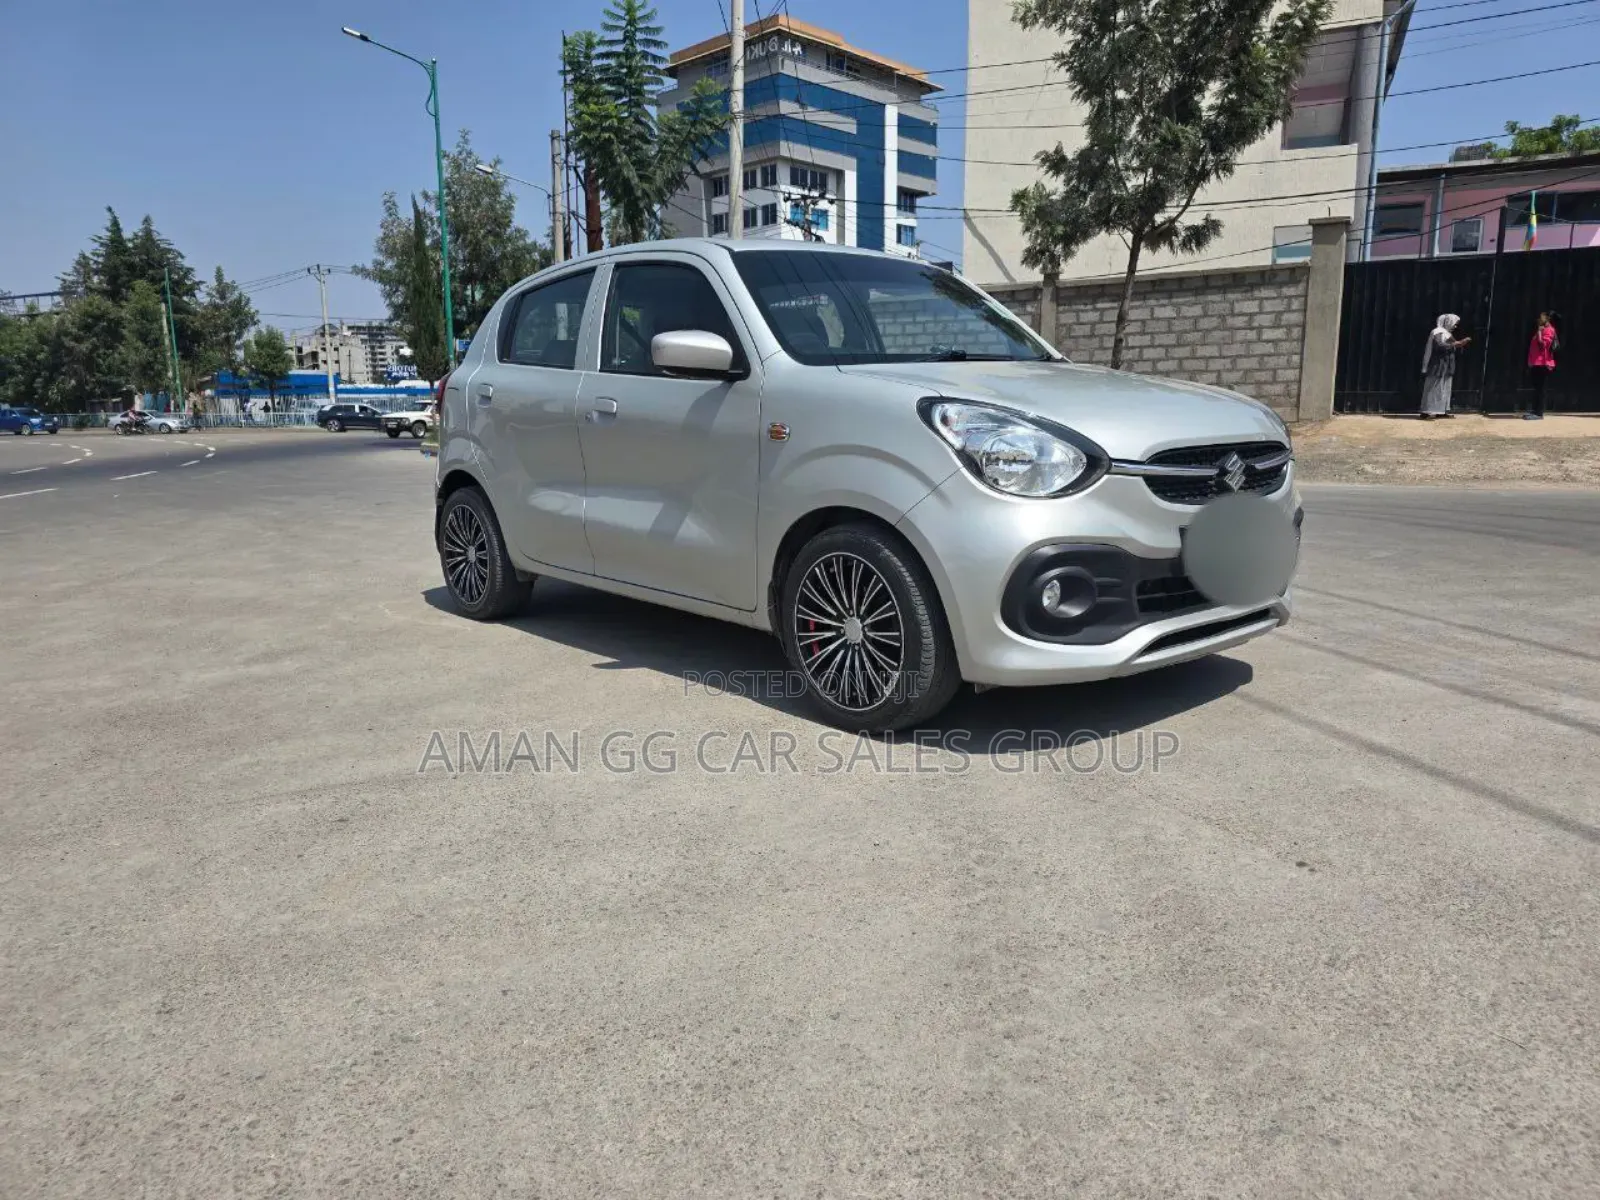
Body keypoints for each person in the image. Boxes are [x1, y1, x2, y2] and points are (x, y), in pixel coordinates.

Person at [1421, 313, 1471, 419]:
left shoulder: (1447, 333)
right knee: (1433, 387)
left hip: (1446, 365)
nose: (1455, 326)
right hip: (1438, 364)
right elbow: (1439, 345)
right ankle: (1427, 411)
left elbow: (1454, 344)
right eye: (1454, 323)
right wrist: (1457, 343)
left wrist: (1460, 343)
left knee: (1445, 388)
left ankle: (1441, 411)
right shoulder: (1438, 332)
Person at [1526, 311, 1558, 420]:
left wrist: (1539, 332)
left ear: (1547, 319)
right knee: (1536, 388)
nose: (1539, 320)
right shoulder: (1541, 329)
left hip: (1543, 363)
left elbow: (1543, 345)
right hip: (1536, 362)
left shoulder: (1549, 330)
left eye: (1542, 318)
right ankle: (1534, 410)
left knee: (1541, 388)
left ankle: (1539, 413)